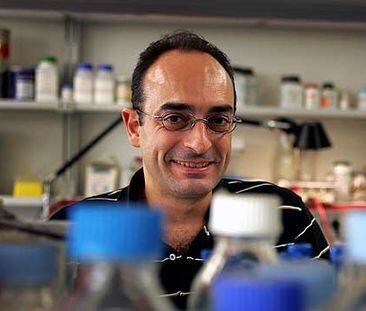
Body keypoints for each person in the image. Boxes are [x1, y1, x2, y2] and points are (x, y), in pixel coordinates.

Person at [50, 30, 329, 309]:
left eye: (218, 119)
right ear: (135, 127)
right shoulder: (70, 232)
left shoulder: (284, 215)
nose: (199, 142)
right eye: (174, 118)